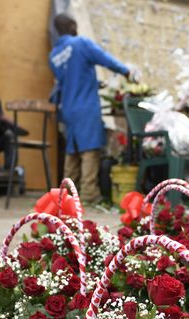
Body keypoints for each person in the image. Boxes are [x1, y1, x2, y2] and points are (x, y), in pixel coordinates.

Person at [49, 13, 130, 204]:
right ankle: (88, 194)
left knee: (72, 151)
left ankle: (66, 195)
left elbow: (67, 80)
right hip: (86, 106)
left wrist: (94, 83)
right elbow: (105, 59)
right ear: (70, 26)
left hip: (68, 108)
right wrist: (126, 71)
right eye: (75, 26)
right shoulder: (81, 44)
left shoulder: (53, 56)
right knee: (90, 151)